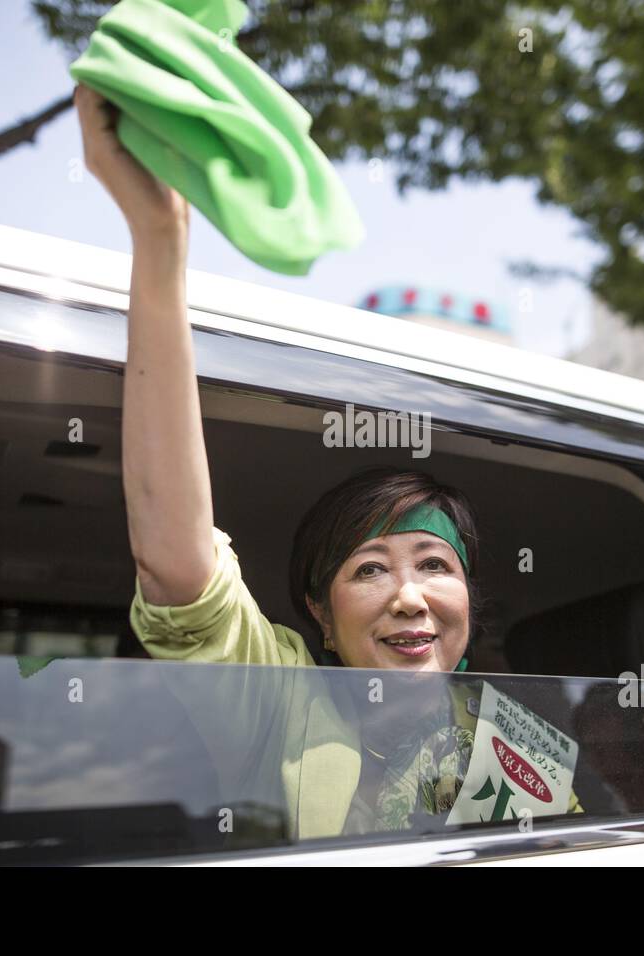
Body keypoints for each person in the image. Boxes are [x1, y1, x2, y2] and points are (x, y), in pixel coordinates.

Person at [75, 85, 580, 840]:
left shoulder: (515, 750)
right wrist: (159, 243)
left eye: (435, 565)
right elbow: (181, 574)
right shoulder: (281, 703)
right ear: (319, 611)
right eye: (370, 569)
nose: (410, 597)